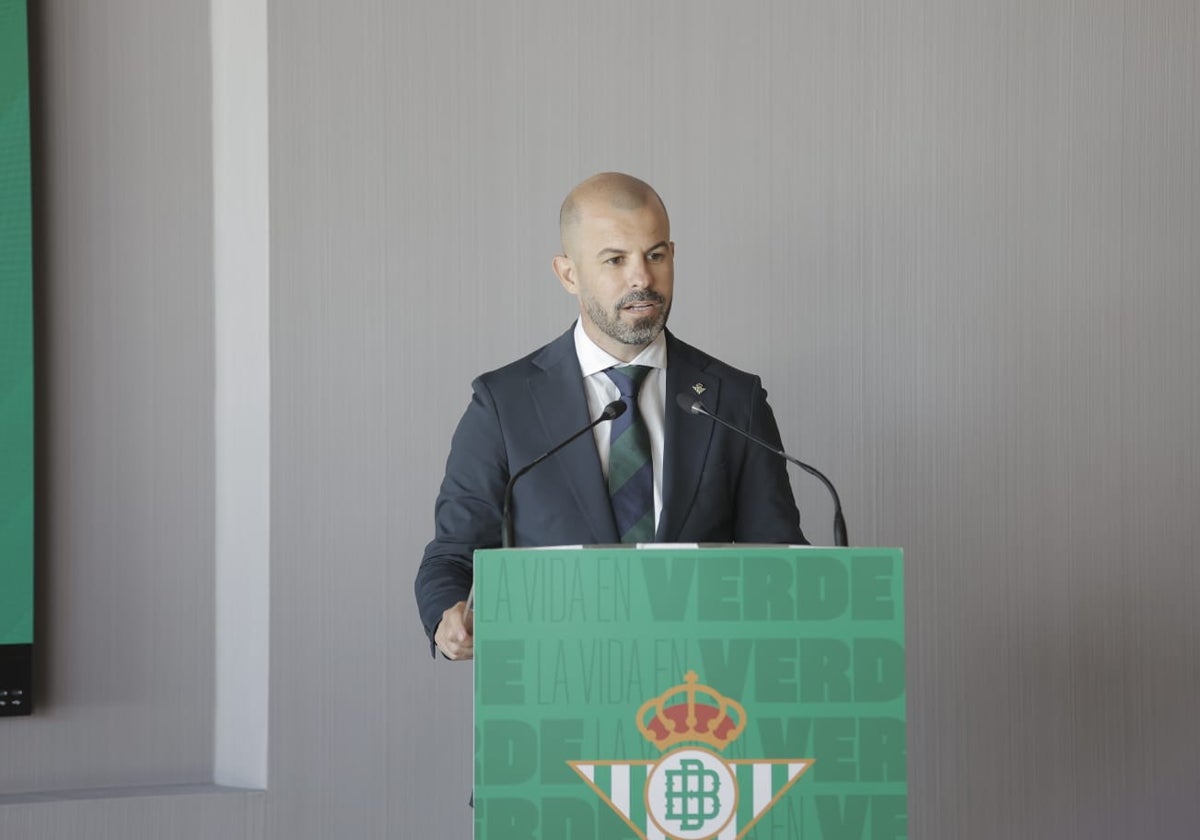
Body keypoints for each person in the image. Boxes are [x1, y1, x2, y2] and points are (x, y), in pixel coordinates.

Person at [414, 172, 806, 660]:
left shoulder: (732, 400)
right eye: (616, 259)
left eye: (656, 255)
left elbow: (780, 564)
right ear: (568, 274)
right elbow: (452, 557)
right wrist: (447, 616)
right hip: (556, 692)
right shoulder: (504, 404)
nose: (642, 277)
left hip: (699, 699)